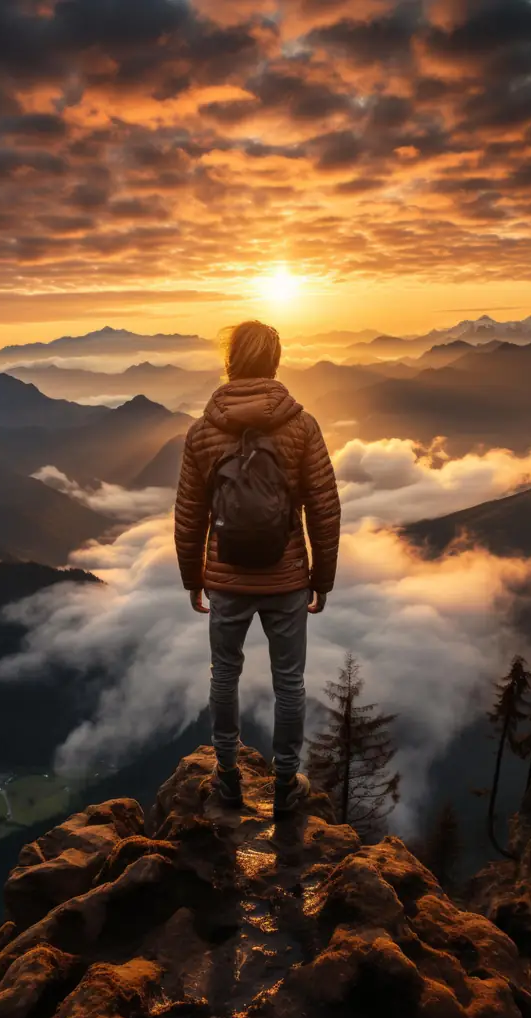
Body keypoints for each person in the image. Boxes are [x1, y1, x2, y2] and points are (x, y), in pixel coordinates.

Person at [174, 319, 341, 817]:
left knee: (224, 674)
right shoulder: (301, 425)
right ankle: (286, 782)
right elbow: (324, 506)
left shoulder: (203, 432)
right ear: (274, 361)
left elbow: (189, 513)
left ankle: (227, 777)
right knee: (289, 682)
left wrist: (192, 577)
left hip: (225, 578)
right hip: (287, 576)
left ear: (230, 362)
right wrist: (322, 578)